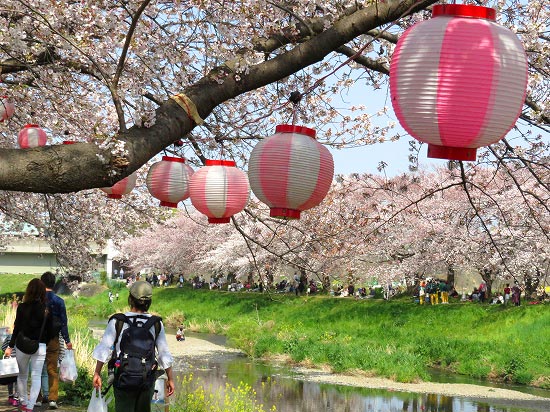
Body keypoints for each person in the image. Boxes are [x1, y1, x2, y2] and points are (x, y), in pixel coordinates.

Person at [92, 281, 175, 412]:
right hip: (146, 379)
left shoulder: (117, 321)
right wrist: (170, 378)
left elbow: (104, 349)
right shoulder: (156, 323)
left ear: (130, 299)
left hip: (122, 377)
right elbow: (164, 354)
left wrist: (97, 373)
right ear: (149, 301)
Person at [5, 278, 51, 412]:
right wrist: (45, 344)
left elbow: (17, 328)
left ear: (29, 291)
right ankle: (30, 406)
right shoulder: (45, 309)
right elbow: (50, 330)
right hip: (40, 345)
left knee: (22, 375)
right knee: (36, 376)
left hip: (22, 345)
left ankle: (24, 402)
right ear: (42, 292)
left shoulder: (22, 307)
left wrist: (10, 346)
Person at [40, 271, 73, 410]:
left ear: (42, 283)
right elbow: (63, 323)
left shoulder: (38, 299)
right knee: (52, 369)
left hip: (38, 339)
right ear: (53, 284)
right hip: (53, 338)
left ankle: (39, 397)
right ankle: (53, 399)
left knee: (38, 370)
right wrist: (67, 340)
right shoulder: (59, 301)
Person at [1, 328, 19, 406]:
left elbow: (3, 347)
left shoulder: (9, 337)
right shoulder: (22, 338)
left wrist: (9, 351)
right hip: (19, 360)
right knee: (18, 380)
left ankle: (10, 397)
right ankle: (16, 398)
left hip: (10, 360)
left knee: (10, 378)